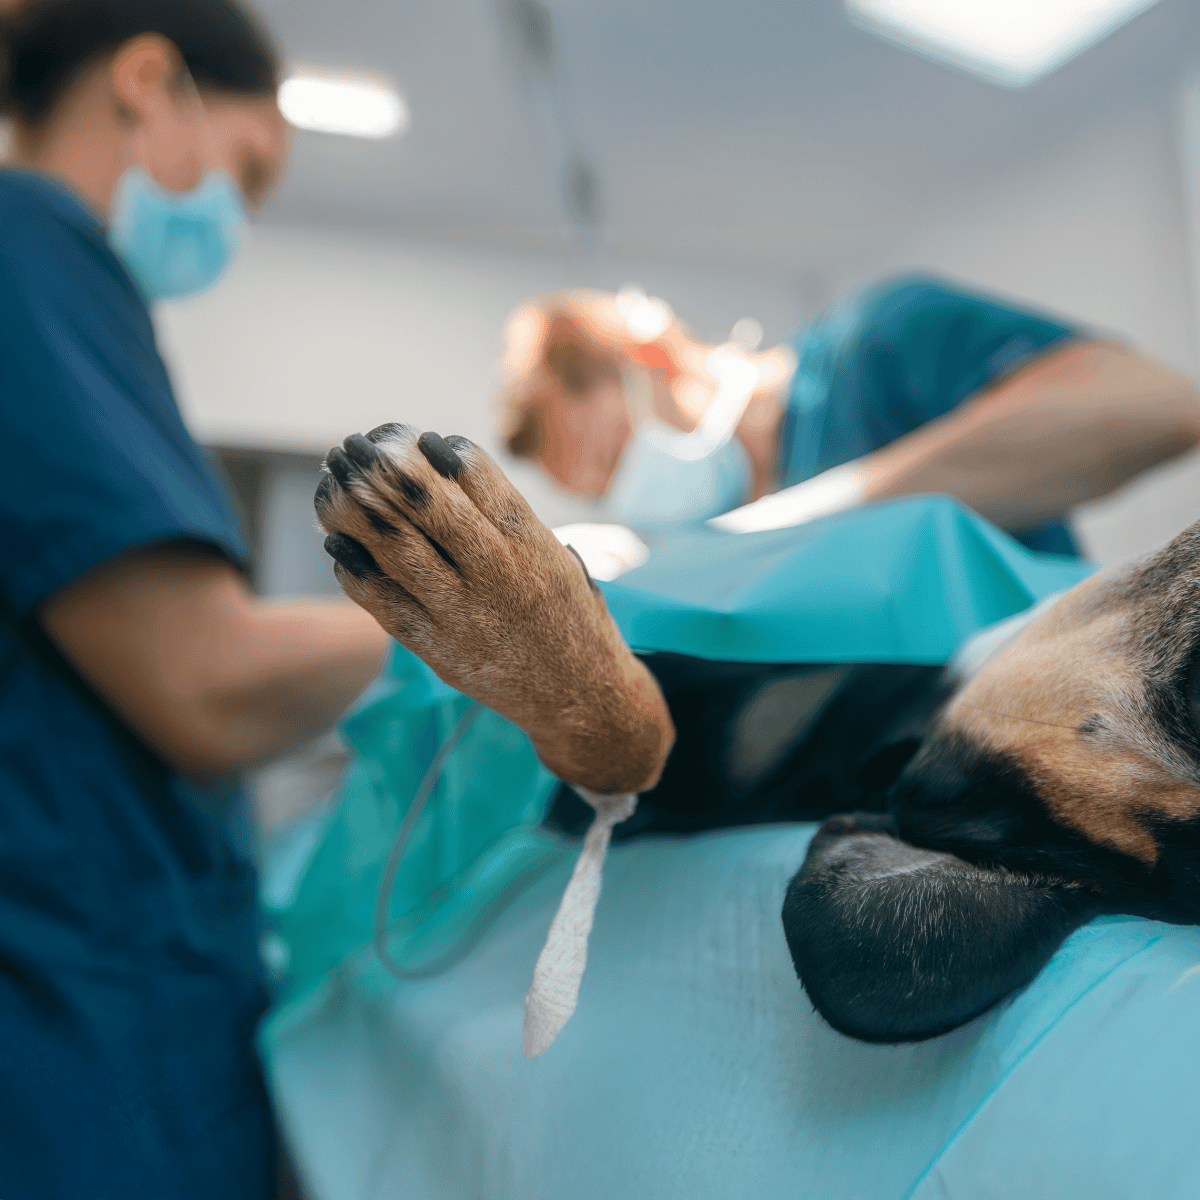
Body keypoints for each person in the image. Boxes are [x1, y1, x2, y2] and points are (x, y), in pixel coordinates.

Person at [0, 3, 390, 1197]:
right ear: (148, 82)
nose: (239, 215)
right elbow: (203, 679)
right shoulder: (28, 244)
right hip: (81, 1039)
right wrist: (484, 630)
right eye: (248, 167)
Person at [498, 278, 1200, 557]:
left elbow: (1157, 406)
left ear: (647, 353)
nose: (631, 491)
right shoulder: (702, 549)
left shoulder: (878, 346)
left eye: (619, 453)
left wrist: (807, 518)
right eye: (605, 491)